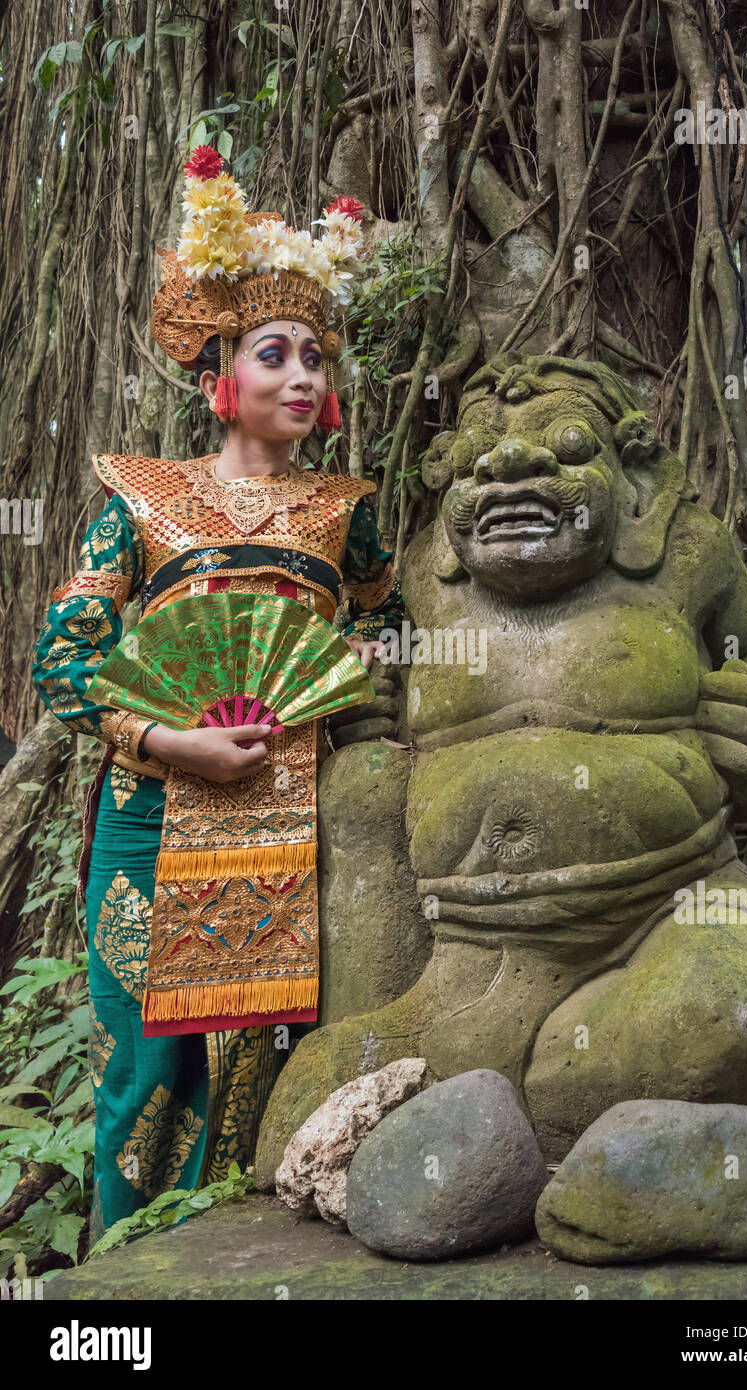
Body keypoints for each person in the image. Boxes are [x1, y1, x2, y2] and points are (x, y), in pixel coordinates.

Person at [32, 148, 402, 1239]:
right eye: (274, 354)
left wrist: (350, 677)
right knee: (142, 1077)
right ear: (215, 383)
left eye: (315, 361)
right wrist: (165, 741)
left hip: (287, 820)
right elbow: (65, 665)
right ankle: (116, 1291)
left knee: (253, 1083)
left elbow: (379, 621)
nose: (301, 377)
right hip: (149, 815)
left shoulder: (344, 514)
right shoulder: (139, 506)